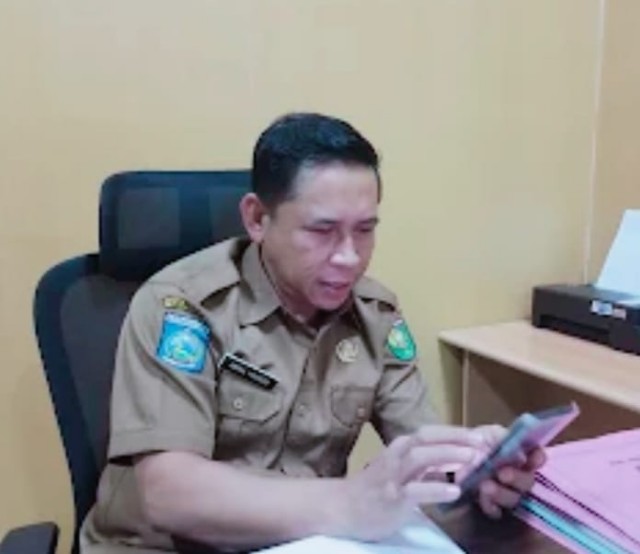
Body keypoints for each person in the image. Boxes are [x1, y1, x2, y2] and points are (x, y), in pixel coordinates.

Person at [80, 113, 545, 553]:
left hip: (305, 542)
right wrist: (348, 502)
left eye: (365, 230)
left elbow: (420, 447)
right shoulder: (183, 306)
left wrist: (471, 471)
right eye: (323, 231)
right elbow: (169, 494)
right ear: (257, 219)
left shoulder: (375, 314)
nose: (349, 257)